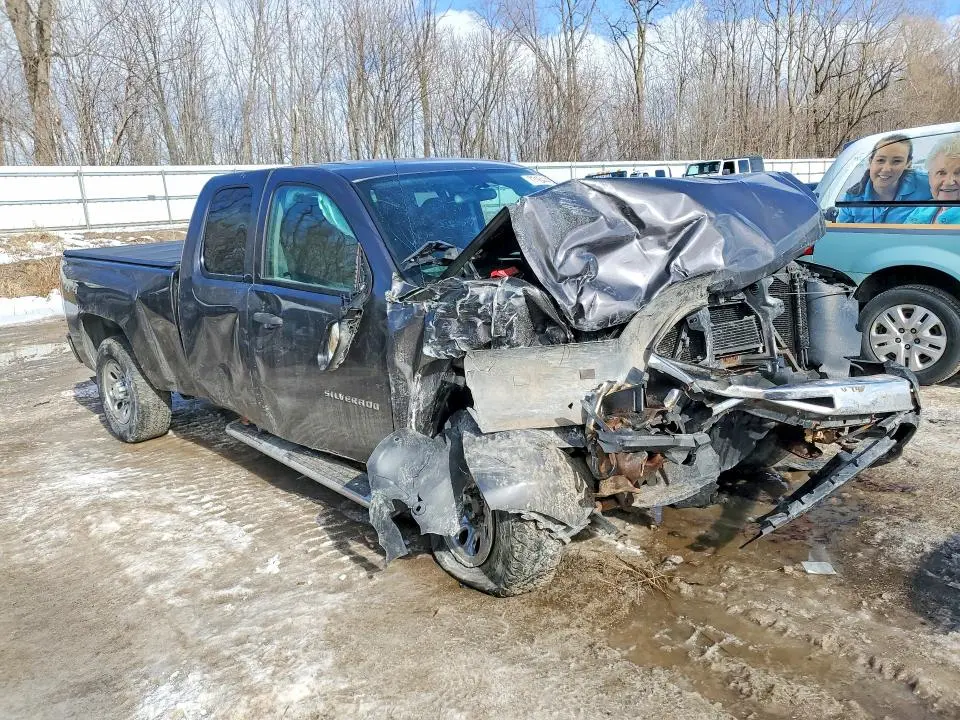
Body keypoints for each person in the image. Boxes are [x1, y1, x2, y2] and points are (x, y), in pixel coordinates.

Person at [836, 133, 931, 223]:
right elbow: (842, 236)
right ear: (870, 161)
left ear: (908, 163)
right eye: (880, 160)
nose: (886, 169)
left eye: (897, 161)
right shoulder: (852, 197)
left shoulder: (928, 184)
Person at [906, 136, 960, 225]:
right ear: (930, 178)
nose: (949, 182)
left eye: (958, 173)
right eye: (941, 173)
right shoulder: (922, 210)